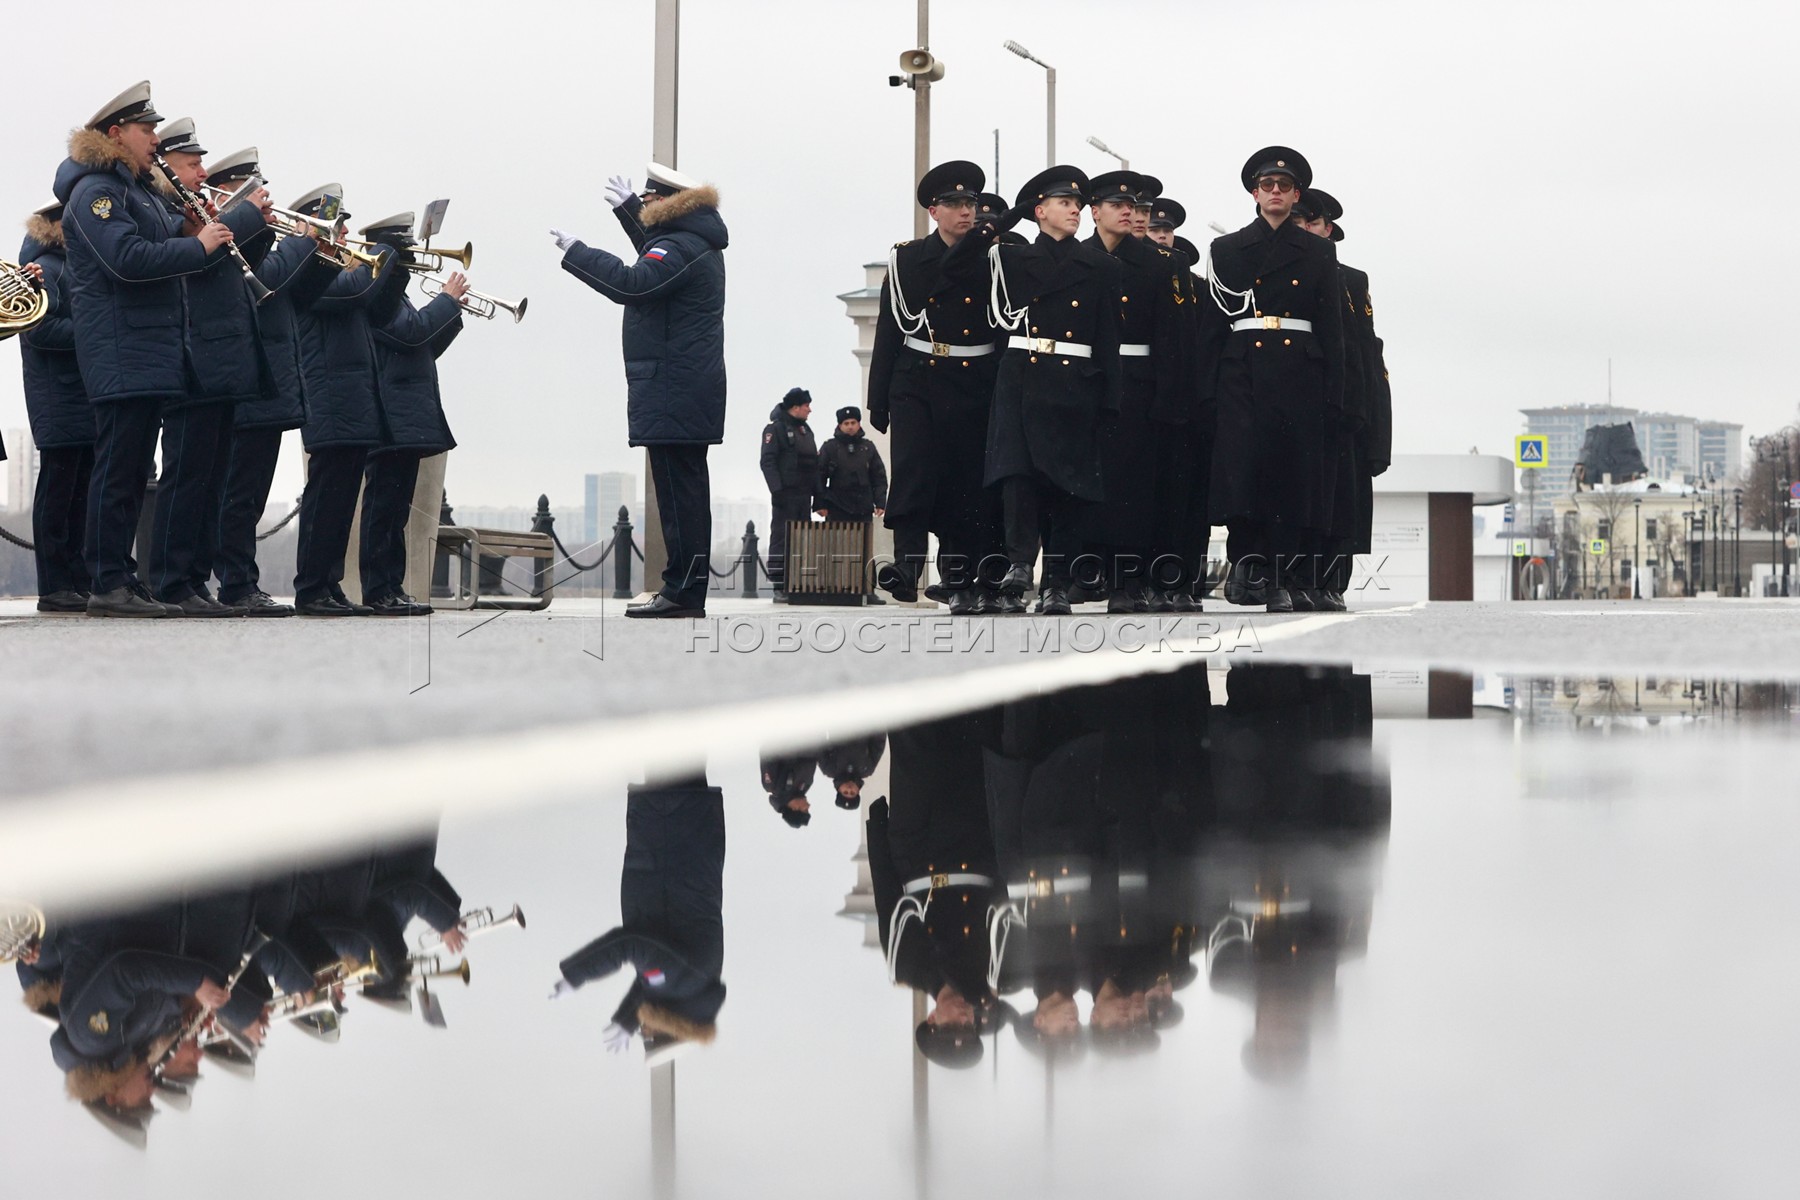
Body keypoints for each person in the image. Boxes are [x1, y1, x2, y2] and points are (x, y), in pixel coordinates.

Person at [54, 82, 237, 618]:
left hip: (148, 347)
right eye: (147, 130)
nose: (156, 139)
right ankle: (108, 581)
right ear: (116, 134)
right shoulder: (96, 193)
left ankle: (122, 578)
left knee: (134, 470)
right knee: (118, 468)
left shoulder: (137, 190)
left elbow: (159, 249)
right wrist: (195, 245)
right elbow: (126, 259)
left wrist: (190, 231)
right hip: (121, 346)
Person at [554, 162, 727, 619]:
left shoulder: (682, 246)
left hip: (675, 389)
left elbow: (636, 282)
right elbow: (656, 254)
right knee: (680, 494)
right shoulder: (690, 242)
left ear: (669, 205)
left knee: (679, 498)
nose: (645, 207)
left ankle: (683, 592)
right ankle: (682, 589)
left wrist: (579, 252)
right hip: (682, 388)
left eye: (649, 201)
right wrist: (629, 210)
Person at [965, 166, 1122, 615]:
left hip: (1074, 380)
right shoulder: (1010, 258)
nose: (1075, 210)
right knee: (1017, 475)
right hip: (1022, 375)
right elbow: (959, 260)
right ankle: (1019, 564)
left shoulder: (1099, 266)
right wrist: (1006, 217)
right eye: (1064, 203)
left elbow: (1107, 337)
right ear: (1040, 211)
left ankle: (1055, 582)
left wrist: (1110, 398)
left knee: (1065, 489)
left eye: (1078, 204)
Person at [1198, 147, 1345, 613]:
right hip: (1242, 370)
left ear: (1296, 194)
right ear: (1255, 193)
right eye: (1267, 186)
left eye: (1284, 186)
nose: (1276, 192)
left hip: (1299, 371)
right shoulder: (1226, 249)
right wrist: (1205, 391)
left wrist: (1336, 392)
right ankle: (1250, 566)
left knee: (1290, 477)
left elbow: (1332, 327)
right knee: (1243, 473)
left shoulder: (1319, 251)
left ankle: (1280, 574)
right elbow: (1213, 326)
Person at [866, 161, 1009, 615]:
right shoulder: (908, 259)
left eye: (970, 204)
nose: (966, 212)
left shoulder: (995, 257)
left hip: (975, 379)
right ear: (934, 211)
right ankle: (906, 567)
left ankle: (958, 578)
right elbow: (890, 329)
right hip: (920, 376)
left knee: (965, 482)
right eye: (955, 204)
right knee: (913, 472)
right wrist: (879, 398)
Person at [147, 118, 276, 616]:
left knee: (211, 477)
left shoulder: (195, 207)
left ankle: (194, 580)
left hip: (223, 359)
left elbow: (239, 264)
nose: (201, 171)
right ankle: (173, 580)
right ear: (168, 166)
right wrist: (243, 216)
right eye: (192, 163)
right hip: (195, 358)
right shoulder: (169, 209)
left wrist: (252, 223)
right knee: (188, 475)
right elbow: (195, 261)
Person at [206, 147, 340, 616]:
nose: (262, 196)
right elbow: (263, 284)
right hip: (244, 379)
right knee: (237, 496)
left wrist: (321, 257)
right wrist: (303, 243)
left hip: (268, 380)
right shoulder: (225, 232)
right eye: (248, 187)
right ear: (225, 190)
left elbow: (294, 297)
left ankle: (242, 581)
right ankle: (236, 584)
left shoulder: (252, 234)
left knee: (250, 496)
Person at [550, 773, 727, 1065]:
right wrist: (576, 975)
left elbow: (652, 980)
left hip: (678, 826)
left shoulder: (687, 986)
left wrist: (625, 1020)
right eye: (646, 1033)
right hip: (672, 827)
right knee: (670, 744)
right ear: (668, 1029)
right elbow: (630, 945)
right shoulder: (683, 980)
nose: (642, 1030)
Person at [290, 184, 407, 616]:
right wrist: (386, 255)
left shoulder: (336, 268)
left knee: (341, 500)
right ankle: (312, 587)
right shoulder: (309, 269)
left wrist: (397, 271)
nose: (343, 234)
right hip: (327, 393)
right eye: (335, 226)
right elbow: (355, 291)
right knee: (326, 496)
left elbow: (377, 309)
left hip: (350, 393)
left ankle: (329, 583)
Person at [1083, 171, 1191, 613]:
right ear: (1094, 211)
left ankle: (1129, 581)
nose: (1129, 212)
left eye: (1133, 206)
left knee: (1134, 490)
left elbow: (1174, 340)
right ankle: (1082, 574)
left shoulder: (1160, 263)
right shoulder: (1077, 257)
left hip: (1139, 385)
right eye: (1117, 205)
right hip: (1086, 383)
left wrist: (1169, 399)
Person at [362, 211, 467, 616]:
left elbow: (422, 347)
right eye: (403, 246)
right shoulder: (376, 290)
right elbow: (409, 334)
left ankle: (393, 585)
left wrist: (451, 313)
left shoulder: (396, 293)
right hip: (390, 411)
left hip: (406, 411)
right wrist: (445, 302)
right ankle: (378, 589)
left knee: (397, 508)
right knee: (383, 506)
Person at [1295, 189, 1392, 610]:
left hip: (1345, 409)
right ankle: (1295, 578)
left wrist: (1376, 429)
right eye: (1300, 224)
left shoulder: (1351, 280)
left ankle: (1331, 582)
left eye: (1312, 223)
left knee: (1344, 505)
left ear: (1327, 229)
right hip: (1302, 403)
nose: (1306, 231)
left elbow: (1366, 354)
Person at [17, 201, 94, 613]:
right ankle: (55, 583)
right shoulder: (44, 267)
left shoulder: (71, 266)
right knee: (60, 488)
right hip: (57, 392)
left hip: (79, 390)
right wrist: (96, 328)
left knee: (80, 490)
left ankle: (77, 580)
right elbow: (40, 329)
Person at [759, 387, 818, 601]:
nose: (809, 410)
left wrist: (818, 494)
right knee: (782, 538)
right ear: (795, 407)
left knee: (802, 539)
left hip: (804, 495)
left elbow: (813, 464)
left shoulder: (805, 431)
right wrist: (777, 490)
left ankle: (798, 583)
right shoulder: (775, 429)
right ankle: (780, 584)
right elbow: (768, 462)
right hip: (785, 495)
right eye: (806, 406)